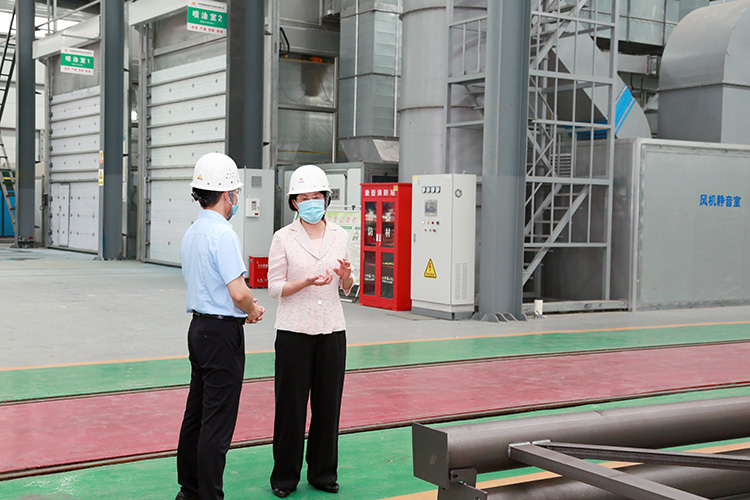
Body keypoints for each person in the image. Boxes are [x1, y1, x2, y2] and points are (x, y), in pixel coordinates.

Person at [175, 152, 265, 500]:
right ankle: (210, 495)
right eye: (235, 193)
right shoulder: (223, 234)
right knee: (217, 422)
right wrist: (252, 310)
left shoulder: (192, 232)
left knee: (196, 414)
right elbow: (238, 291)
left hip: (198, 329)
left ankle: (189, 489)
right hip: (222, 333)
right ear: (227, 194)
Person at [267, 164, 354, 498]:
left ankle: (323, 473)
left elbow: (348, 287)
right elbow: (275, 288)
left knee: (328, 406)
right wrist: (303, 282)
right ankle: (284, 477)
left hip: (331, 330)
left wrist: (346, 276)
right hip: (294, 332)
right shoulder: (283, 237)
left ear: (326, 199)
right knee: (290, 407)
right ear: (294, 202)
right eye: (304, 198)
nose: (311, 202)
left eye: (317, 196)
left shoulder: (340, 235)